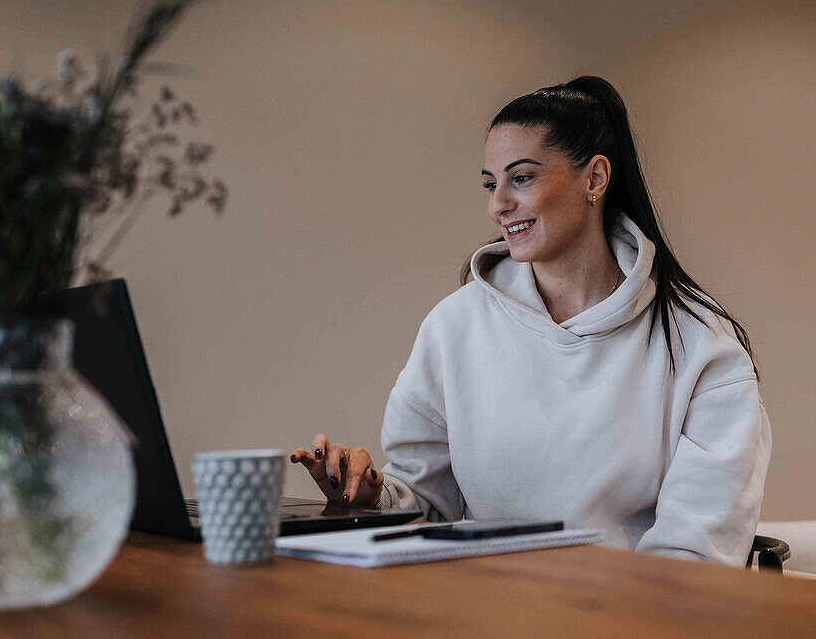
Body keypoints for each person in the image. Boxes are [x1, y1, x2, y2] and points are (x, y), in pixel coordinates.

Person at [290, 76, 771, 566]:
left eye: (521, 178)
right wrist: (371, 496)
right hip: (476, 612)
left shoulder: (700, 343)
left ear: (595, 179)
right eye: (490, 182)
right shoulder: (454, 326)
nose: (498, 203)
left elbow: (692, 556)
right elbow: (426, 505)